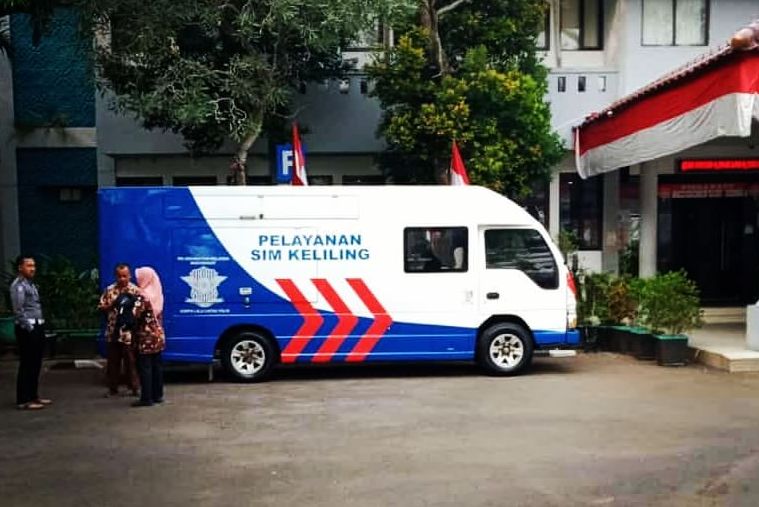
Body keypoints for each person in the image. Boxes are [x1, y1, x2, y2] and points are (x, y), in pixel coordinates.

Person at [11, 255, 52, 410]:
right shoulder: (18, 285)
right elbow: (18, 310)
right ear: (20, 268)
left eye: (33, 265)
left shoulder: (31, 284)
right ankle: (23, 400)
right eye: (28, 266)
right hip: (27, 328)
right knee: (27, 363)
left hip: (37, 325)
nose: (32, 268)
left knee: (35, 363)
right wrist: (29, 328)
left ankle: (33, 396)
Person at [98, 263, 141, 397]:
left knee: (131, 361)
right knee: (113, 362)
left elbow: (140, 310)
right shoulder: (110, 290)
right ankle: (113, 388)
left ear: (129, 276)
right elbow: (101, 307)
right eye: (119, 276)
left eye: (124, 276)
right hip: (113, 331)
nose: (122, 279)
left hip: (128, 332)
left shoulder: (135, 291)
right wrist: (112, 305)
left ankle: (134, 387)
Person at [132, 267, 166, 407]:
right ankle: (158, 395)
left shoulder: (143, 296)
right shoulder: (158, 294)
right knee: (157, 366)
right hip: (158, 334)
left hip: (145, 336)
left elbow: (135, 315)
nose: (137, 280)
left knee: (145, 367)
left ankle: (146, 398)